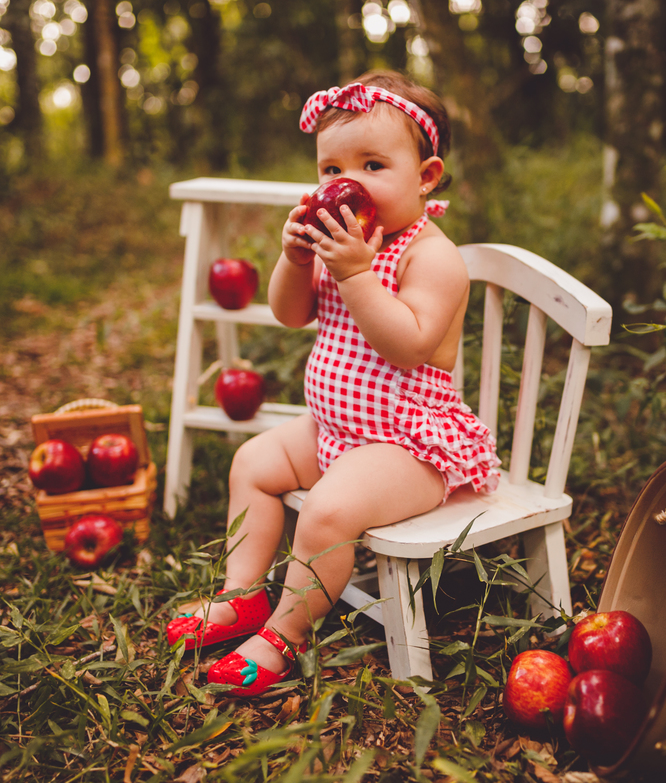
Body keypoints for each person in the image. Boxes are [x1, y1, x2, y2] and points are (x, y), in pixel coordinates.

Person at [165, 70, 500, 696]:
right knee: (254, 461)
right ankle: (241, 595)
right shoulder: (344, 240)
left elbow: (408, 345)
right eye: (330, 169)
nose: (346, 183)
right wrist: (295, 260)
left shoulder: (431, 256)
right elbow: (290, 314)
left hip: (408, 444)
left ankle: (285, 635)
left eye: (373, 164)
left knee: (326, 512)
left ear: (425, 177)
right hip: (337, 430)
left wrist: (355, 274)